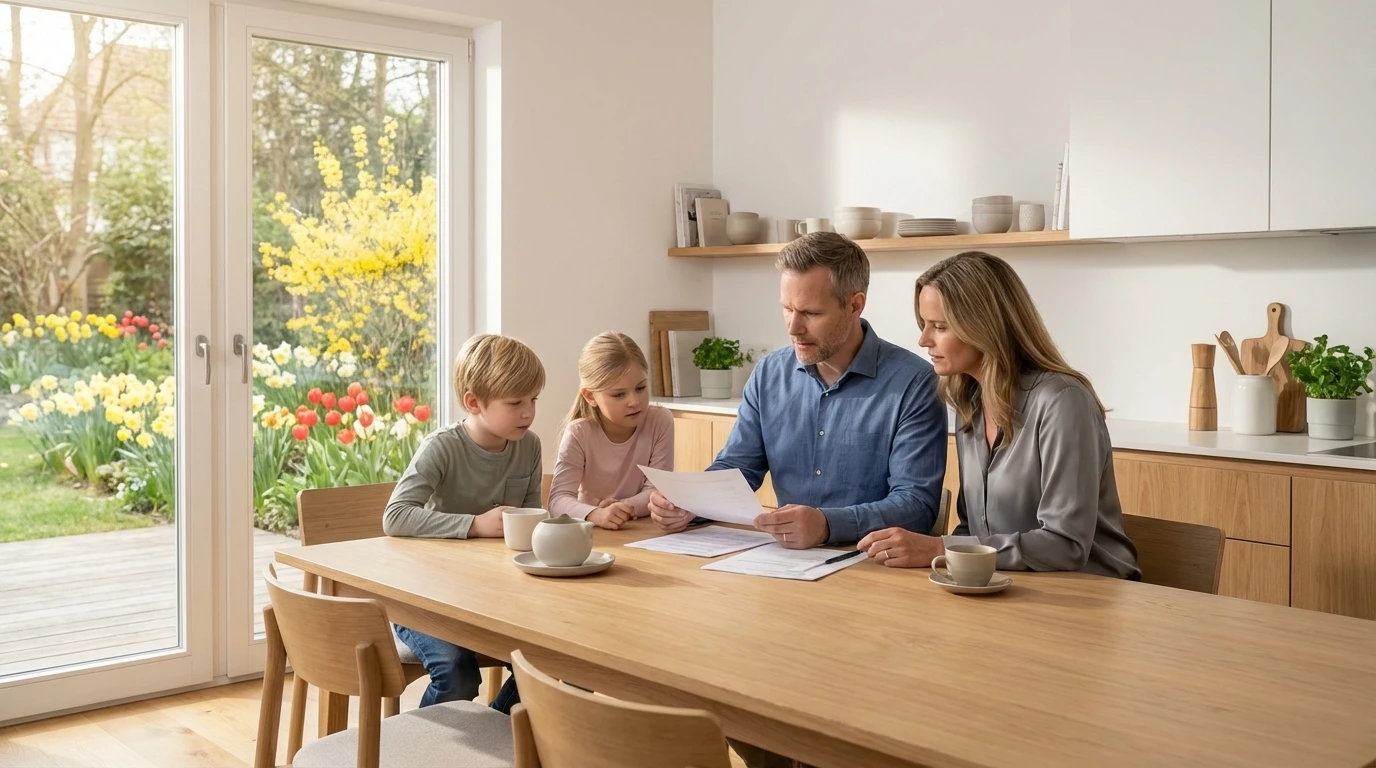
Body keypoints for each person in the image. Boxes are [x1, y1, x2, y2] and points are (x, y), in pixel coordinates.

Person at [650, 232, 947, 768]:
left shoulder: (913, 383)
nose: (792, 327)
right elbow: (738, 467)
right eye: (787, 309)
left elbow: (917, 505)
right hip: (778, 585)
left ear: (854, 305)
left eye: (809, 312)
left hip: (875, 596)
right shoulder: (769, 373)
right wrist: (690, 501)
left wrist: (826, 524)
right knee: (708, 685)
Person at [857, 251, 1139, 579]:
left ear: (984, 327)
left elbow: (1066, 544)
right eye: (924, 325)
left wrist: (938, 549)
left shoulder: (1062, 402)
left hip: (1090, 590)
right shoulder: (969, 405)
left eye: (940, 326)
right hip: (1011, 587)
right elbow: (971, 530)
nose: (923, 340)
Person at [382, 333, 546, 713]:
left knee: (553, 665)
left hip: (494, 597)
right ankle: (424, 744)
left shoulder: (530, 446)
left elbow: (531, 519)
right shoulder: (442, 447)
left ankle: (494, 730)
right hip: (425, 597)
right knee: (456, 672)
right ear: (473, 402)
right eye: (515, 403)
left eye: (533, 400)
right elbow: (395, 515)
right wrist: (474, 525)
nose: (528, 413)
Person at [550, 332, 673, 528]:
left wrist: (622, 507)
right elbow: (558, 500)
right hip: (594, 532)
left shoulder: (660, 420)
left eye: (640, 388)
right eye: (619, 395)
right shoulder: (579, 433)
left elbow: (657, 490)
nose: (634, 401)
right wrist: (596, 514)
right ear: (590, 396)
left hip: (644, 530)